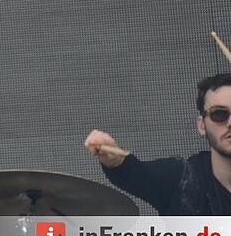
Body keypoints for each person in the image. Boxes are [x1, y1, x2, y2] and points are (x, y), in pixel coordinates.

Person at [84, 73, 231, 215]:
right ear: (202, 126)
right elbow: (135, 174)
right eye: (219, 114)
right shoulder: (181, 179)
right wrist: (115, 160)